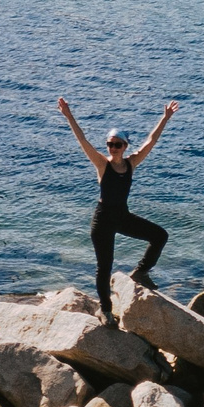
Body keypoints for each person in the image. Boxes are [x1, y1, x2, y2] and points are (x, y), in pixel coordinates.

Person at [58, 96, 177, 320]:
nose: (113, 148)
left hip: (122, 217)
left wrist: (165, 118)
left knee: (160, 235)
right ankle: (105, 310)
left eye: (117, 145)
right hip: (102, 221)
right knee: (104, 267)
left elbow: (151, 141)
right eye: (110, 144)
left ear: (125, 146)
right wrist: (68, 115)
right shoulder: (102, 164)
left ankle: (140, 273)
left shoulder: (131, 163)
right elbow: (82, 140)